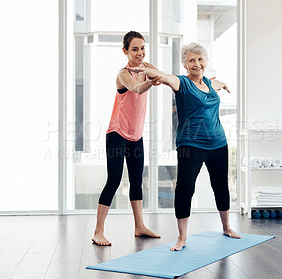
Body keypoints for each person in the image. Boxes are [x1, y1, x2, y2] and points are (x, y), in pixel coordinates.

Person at [128, 42, 241, 251]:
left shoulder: (210, 83)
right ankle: (181, 238)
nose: (196, 63)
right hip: (191, 145)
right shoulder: (181, 83)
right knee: (185, 189)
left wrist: (223, 84)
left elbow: (218, 84)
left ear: (205, 62)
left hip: (218, 143)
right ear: (185, 65)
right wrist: (145, 69)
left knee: (221, 186)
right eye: (191, 60)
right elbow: (165, 76)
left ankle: (226, 227)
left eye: (200, 59)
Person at [92, 31, 161, 246]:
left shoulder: (147, 66)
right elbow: (138, 89)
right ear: (125, 51)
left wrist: (196, 79)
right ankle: (98, 231)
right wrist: (152, 79)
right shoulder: (123, 74)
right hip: (117, 133)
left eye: (142, 48)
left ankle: (139, 226)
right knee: (113, 180)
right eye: (135, 49)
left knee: (137, 180)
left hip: (136, 134)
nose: (140, 53)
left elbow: (167, 77)